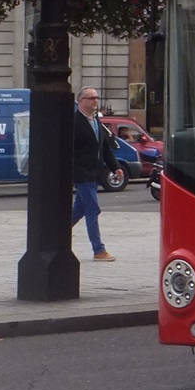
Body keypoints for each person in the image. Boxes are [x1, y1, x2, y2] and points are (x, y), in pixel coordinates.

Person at [71, 86, 121, 262]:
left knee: (79, 210)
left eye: (96, 98)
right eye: (91, 98)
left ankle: (56, 234)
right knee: (93, 209)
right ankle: (98, 250)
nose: (95, 101)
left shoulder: (96, 121)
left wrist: (116, 167)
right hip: (82, 174)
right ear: (81, 101)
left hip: (95, 173)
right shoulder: (74, 122)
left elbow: (105, 147)